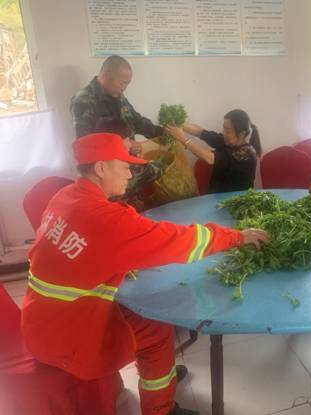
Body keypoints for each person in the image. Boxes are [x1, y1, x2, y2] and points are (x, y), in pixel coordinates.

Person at [20, 133, 270, 415]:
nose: (130, 174)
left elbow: (81, 251)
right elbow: (183, 241)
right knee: (154, 330)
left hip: (42, 318)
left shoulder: (65, 196)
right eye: (124, 167)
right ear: (101, 168)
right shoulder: (108, 220)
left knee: (141, 315)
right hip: (67, 335)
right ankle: (160, 409)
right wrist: (238, 237)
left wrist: (121, 259)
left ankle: (159, 375)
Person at [70, 55, 164, 153]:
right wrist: (122, 144)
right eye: (122, 83)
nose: (124, 88)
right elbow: (84, 146)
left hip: (129, 159)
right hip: (108, 162)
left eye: (127, 84)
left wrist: (164, 133)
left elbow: (137, 122)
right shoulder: (83, 100)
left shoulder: (117, 95)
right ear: (105, 76)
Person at [166, 109, 261, 193]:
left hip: (236, 202)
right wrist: (179, 123)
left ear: (242, 134)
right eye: (224, 129)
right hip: (216, 199)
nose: (224, 134)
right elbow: (200, 132)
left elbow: (210, 159)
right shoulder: (227, 141)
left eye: (228, 131)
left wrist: (183, 138)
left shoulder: (247, 153)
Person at [93, 118, 165, 210]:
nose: (130, 145)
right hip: (133, 212)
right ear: (116, 141)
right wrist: (151, 162)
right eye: (127, 140)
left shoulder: (93, 164)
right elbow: (160, 169)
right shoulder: (134, 167)